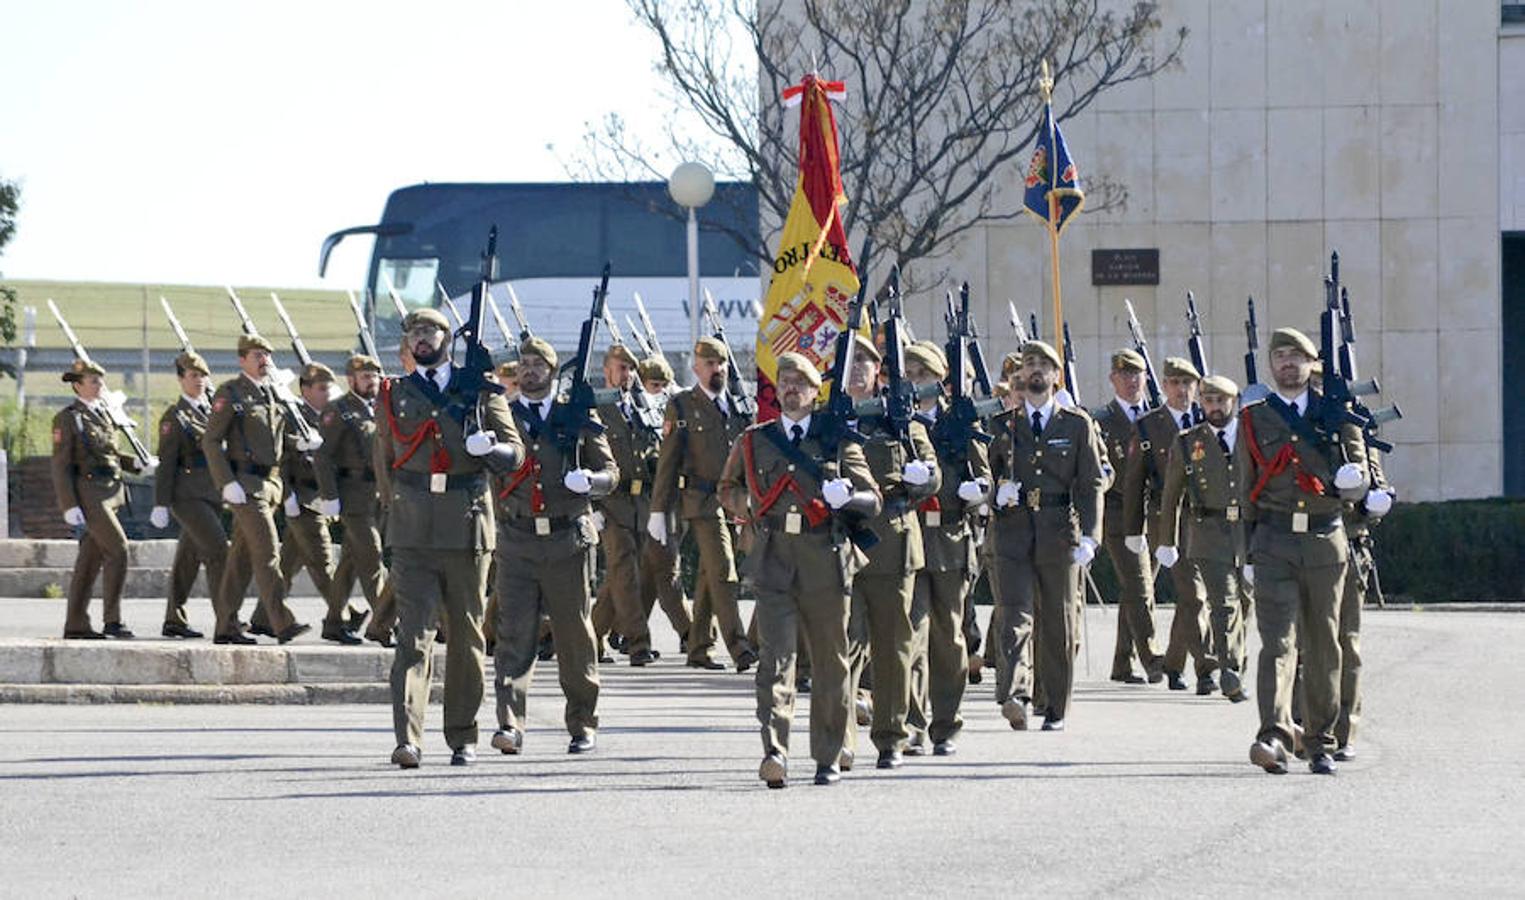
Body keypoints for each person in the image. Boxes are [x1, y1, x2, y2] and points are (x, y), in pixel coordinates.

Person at [718, 352, 880, 788]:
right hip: (773, 560)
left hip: (825, 558)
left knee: (830, 662)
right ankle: (775, 751)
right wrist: (747, 507)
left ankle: (827, 755)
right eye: (784, 381)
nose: (790, 388)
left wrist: (846, 496)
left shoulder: (838, 440)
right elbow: (727, 487)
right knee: (775, 661)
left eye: (800, 382)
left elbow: (873, 499)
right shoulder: (754, 440)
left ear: (814, 392)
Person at [378, 308, 522, 768]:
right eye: (415, 333)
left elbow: (515, 453)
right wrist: (391, 519)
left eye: (431, 331)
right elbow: (383, 462)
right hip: (413, 527)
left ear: (447, 337)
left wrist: (492, 449)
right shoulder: (394, 393)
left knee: (466, 635)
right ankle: (408, 739)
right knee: (413, 637)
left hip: (466, 522)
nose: (423, 339)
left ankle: (463, 734)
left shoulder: (477, 390)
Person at [1239, 327, 1368, 776]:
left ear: (1313, 364)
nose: (1287, 363)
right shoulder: (1255, 418)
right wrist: (1246, 556)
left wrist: (1357, 485)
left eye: (1297, 356)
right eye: (1280, 356)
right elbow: (1244, 492)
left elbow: (1360, 474)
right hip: (1273, 541)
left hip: (1323, 540)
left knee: (1323, 644)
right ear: (1271, 365)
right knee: (1277, 643)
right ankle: (1273, 734)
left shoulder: (1337, 413)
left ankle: (1320, 740)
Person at [491, 336, 616, 756]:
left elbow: (610, 471)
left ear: (552, 370)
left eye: (538, 364)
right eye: (523, 363)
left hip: (567, 538)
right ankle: (509, 724)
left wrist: (592, 483)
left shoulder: (576, 414)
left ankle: (582, 723)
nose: (529, 370)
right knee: (513, 635)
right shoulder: (502, 416)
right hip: (518, 537)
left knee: (574, 634)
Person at [986, 341, 1106, 732]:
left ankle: (1054, 705)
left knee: (1057, 621)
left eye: (1044, 365)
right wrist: (995, 493)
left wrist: (1090, 535)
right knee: (1014, 616)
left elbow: (1090, 484)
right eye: (1029, 365)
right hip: (1013, 531)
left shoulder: (1075, 424)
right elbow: (985, 475)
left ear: (1057, 376)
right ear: (1019, 376)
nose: (1035, 370)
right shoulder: (1003, 425)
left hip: (1058, 531)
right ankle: (1016, 693)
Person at [840, 333, 941, 771]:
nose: (858, 369)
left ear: (878, 369)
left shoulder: (901, 419)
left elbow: (932, 473)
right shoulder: (832, 419)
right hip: (843, 543)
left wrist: (922, 477)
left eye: (866, 361)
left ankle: (891, 737)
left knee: (893, 645)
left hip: (894, 544)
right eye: (851, 362)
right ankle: (841, 738)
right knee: (842, 646)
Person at [650, 337, 758, 672]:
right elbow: (668, 461)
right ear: (696, 367)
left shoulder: (739, 406)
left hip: (734, 501)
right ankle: (740, 647)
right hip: (701, 501)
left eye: (721, 363)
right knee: (724, 569)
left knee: (710, 574)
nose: (717, 369)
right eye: (709, 363)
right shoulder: (682, 405)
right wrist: (658, 510)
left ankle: (698, 647)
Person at [906, 341, 989, 756]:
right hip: (908, 540)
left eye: (923, 375)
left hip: (951, 542)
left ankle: (946, 724)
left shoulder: (959, 424)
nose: (916, 383)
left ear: (941, 381)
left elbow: (985, 477)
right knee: (910, 635)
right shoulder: (896, 425)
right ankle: (913, 725)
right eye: (910, 375)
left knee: (949, 638)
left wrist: (978, 491)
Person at [202, 334, 310, 645]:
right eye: (257, 354)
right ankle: (281, 622)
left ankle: (226, 626)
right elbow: (210, 441)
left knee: (242, 561)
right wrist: (226, 482)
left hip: (271, 486)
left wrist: (300, 443)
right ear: (242, 360)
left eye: (266, 354)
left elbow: (275, 443)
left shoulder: (272, 393)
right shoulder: (231, 393)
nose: (264, 359)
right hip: (245, 487)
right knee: (268, 552)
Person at [1156, 375, 1251, 702]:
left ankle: (1236, 661)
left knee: (1246, 602)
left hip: (1249, 532)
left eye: (1220, 401)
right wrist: (1166, 540)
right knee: (1223, 603)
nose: (1214, 408)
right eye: (1208, 401)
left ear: (1233, 402)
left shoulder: (1250, 437)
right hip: (1208, 532)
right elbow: (1171, 495)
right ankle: (1229, 669)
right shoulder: (1187, 442)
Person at [1122, 356, 1214, 693]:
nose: (1181, 390)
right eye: (1174, 383)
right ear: (1163, 386)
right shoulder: (1149, 426)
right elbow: (1134, 481)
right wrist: (1134, 531)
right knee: (1193, 594)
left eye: (1187, 383)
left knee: (1196, 598)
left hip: (1208, 517)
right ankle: (1206, 668)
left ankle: (1174, 664)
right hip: (1167, 519)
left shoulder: (1209, 419)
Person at [51, 359, 147, 639]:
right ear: (78, 386)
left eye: (100, 381)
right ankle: (113, 620)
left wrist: (136, 464)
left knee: (89, 561)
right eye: (93, 381)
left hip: (111, 491)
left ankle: (76, 624)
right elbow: (60, 465)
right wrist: (68, 505)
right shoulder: (68, 418)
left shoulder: (106, 413)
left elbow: (109, 455)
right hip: (90, 494)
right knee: (118, 549)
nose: (99, 385)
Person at [1089, 349, 1165, 683]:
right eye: (1124, 375)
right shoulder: (1101, 421)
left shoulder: (1157, 419)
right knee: (1139, 586)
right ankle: (1152, 658)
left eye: (1137, 375)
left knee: (1132, 591)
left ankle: (1122, 662)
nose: (1132, 381)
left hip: (1155, 515)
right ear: (1113, 380)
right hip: (1119, 513)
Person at [317, 354, 394, 646]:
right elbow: (323, 456)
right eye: (365, 376)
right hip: (351, 495)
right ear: (351, 380)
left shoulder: (382, 409)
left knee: (350, 562)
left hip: (378, 493)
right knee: (372, 557)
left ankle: (334, 622)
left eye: (375, 376)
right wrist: (329, 496)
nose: (371, 381)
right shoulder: (339, 411)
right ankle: (385, 623)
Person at [151, 351, 223, 639]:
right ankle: (227, 619)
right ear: (181, 380)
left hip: (212, 494)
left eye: (203, 375)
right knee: (220, 552)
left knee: (187, 560)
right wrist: (160, 502)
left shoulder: (213, 413)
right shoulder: (176, 416)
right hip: (187, 495)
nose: (200, 381)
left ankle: (174, 620)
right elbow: (167, 463)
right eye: (193, 376)